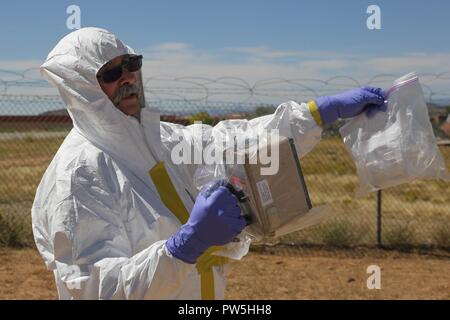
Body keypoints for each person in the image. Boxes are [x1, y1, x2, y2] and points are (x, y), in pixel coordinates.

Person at [32, 27, 386, 300]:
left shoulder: (162, 139)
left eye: (131, 64)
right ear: (82, 90)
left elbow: (234, 142)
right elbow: (94, 288)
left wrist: (317, 114)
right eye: (110, 73)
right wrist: (181, 247)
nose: (127, 77)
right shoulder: (79, 176)